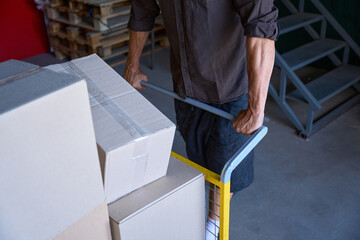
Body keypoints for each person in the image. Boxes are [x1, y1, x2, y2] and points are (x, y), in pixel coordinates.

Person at [123, 1, 279, 239]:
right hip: (186, 89)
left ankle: (212, 229)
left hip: (230, 90)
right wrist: (131, 67)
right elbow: (143, 9)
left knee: (224, 170)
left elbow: (261, 25)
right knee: (200, 161)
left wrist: (256, 108)